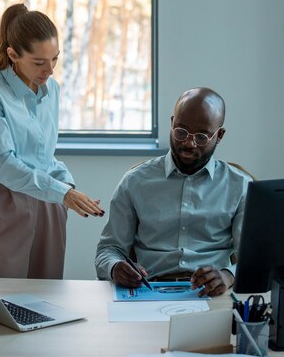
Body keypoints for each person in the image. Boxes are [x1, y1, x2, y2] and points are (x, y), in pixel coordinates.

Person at [0, 3, 104, 279]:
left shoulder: (51, 89)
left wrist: (68, 186)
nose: (49, 70)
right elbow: (3, 165)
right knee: (0, 299)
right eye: (39, 62)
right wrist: (62, 192)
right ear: (13, 54)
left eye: (55, 59)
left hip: (50, 201)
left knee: (48, 299)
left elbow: (43, 156)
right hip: (5, 202)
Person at [95, 87, 251, 297]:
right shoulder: (136, 181)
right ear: (171, 123)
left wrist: (228, 276)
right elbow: (108, 249)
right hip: (148, 290)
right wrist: (115, 267)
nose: (188, 143)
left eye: (202, 136)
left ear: (219, 135)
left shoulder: (239, 186)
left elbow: (255, 260)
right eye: (181, 132)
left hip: (211, 294)